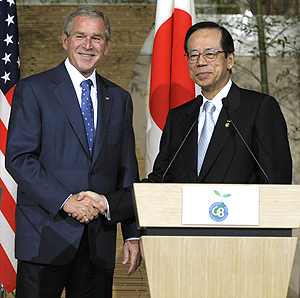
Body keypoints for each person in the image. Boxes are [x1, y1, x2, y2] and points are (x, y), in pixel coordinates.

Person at [5, 6, 141, 298]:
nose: (87, 45)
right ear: (65, 40)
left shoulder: (119, 98)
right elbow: (19, 158)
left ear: (107, 45)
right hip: (45, 236)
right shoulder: (33, 89)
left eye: (96, 38)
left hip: (98, 242)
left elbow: (127, 171)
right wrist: (66, 201)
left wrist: (132, 233)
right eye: (80, 36)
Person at [145, 21, 292, 184]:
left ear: (230, 59)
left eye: (210, 54)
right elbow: (160, 179)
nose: (200, 62)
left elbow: (276, 182)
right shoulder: (178, 118)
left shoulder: (260, 109)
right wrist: (113, 202)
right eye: (193, 55)